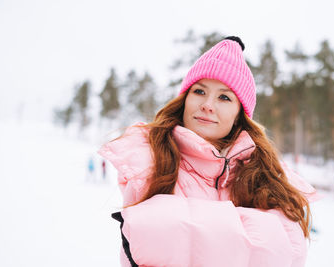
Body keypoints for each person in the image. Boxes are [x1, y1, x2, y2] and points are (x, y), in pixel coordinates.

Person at [98, 36, 320, 267]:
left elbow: (288, 250)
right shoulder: (151, 157)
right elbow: (144, 242)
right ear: (185, 99)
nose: (208, 105)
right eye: (199, 91)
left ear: (238, 115)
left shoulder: (265, 174)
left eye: (224, 97)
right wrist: (249, 233)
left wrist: (178, 224)